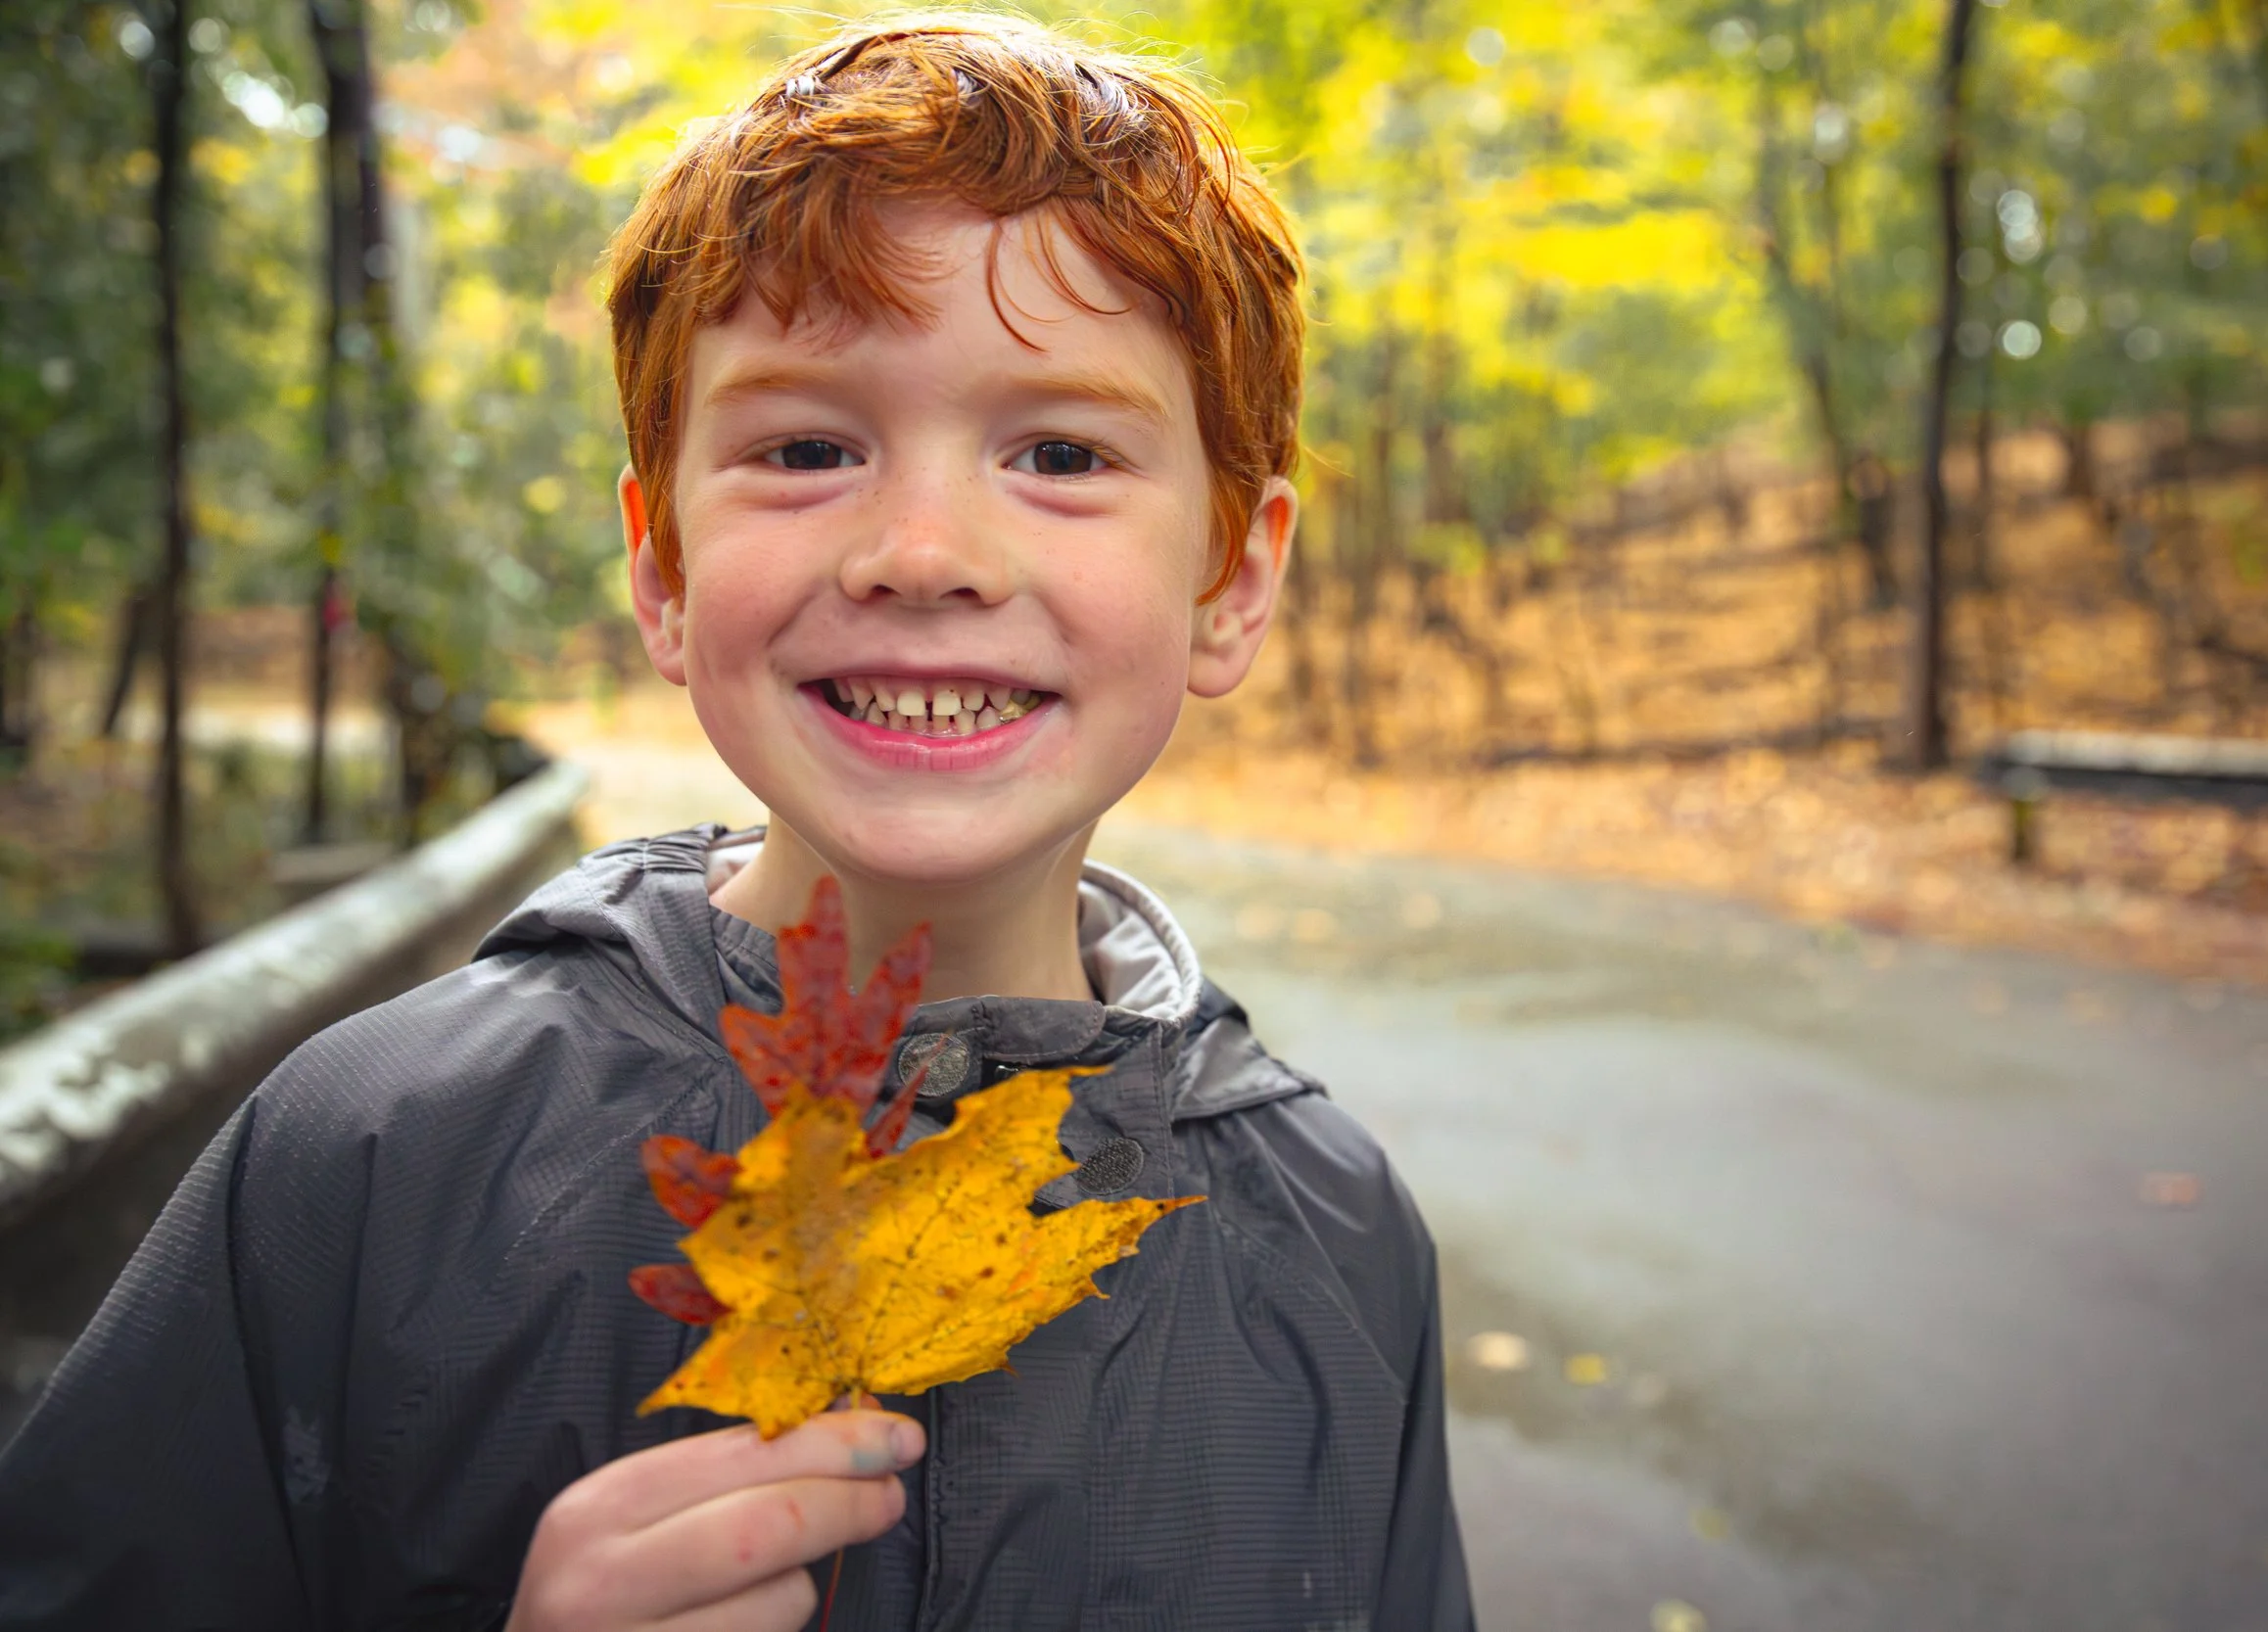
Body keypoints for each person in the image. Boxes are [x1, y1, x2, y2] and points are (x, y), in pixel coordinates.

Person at [0, 14, 1475, 1631]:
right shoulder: (374, 1160)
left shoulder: (1336, 1236)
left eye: (1059, 451)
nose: (924, 549)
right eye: (806, 447)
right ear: (664, 573)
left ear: (1230, 581)